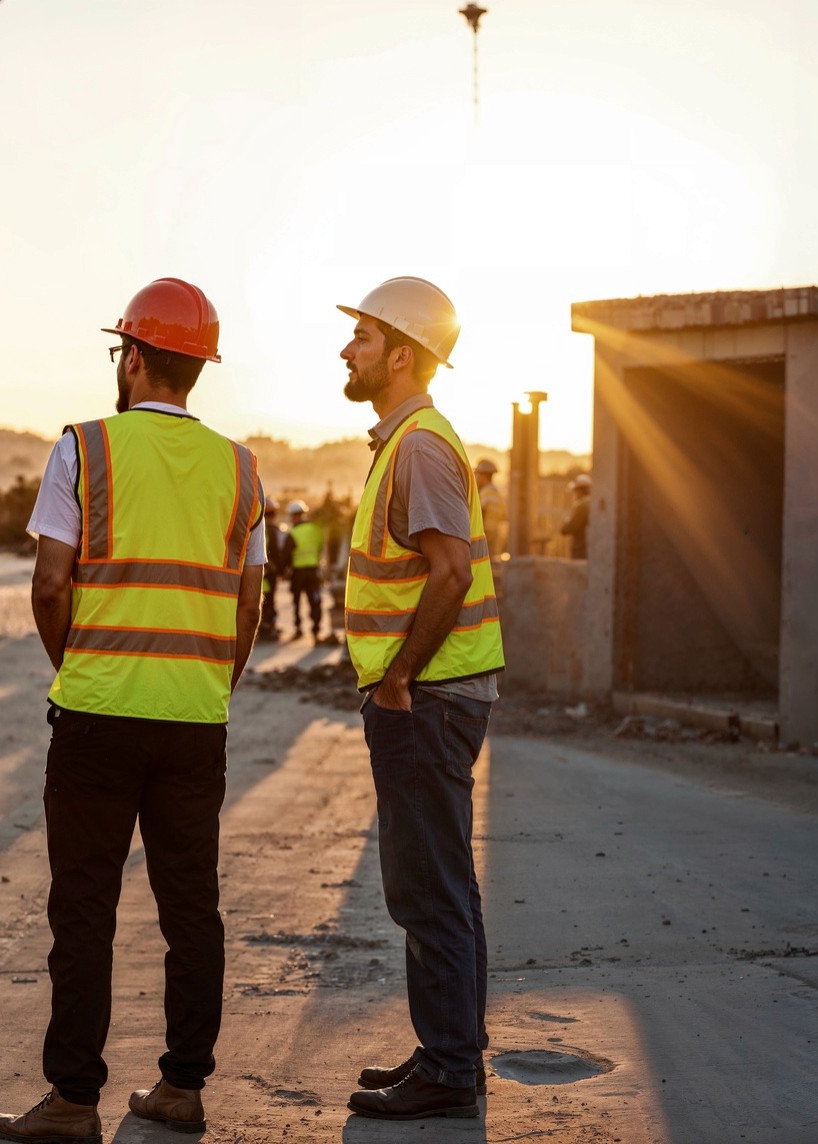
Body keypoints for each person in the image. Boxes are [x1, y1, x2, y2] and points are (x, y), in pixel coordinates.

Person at [0, 279, 265, 1143]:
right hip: (194, 722)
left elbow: (47, 584)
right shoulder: (241, 467)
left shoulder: (83, 449)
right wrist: (212, 683)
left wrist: (81, 667)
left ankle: (73, 1099)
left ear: (135, 356)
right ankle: (183, 1088)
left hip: (97, 721)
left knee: (83, 909)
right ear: (198, 368)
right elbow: (249, 604)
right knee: (191, 909)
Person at [334, 277, 505, 1122]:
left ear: (402, 354)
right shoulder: (402, 443)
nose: (347, 350)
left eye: (361, 338)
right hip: (429, 697)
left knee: (427, 885)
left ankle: (448, 1068)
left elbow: (451, 571)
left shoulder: (420, 446)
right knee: (440, 883)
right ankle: (450, 1051)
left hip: (428, 700)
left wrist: (399, 678)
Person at [285, 500, 325, 641]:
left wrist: (284, 571)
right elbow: (320, 548)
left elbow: (286, 555)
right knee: (315, 600)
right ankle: (316, 629)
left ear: (293, 516)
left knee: (296, 602)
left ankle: (298, 629)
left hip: (298, 573)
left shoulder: (293, 533)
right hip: (313, 571)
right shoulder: (315, 530)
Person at [259, 499, 285, 640]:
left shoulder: (264, 529)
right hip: (267, 572)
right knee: (266, 599)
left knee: (266, 599)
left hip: (266, 571)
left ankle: (267, 625)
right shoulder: (270, 531)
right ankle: (266, 626)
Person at [474, 458, 507, 560]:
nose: (476, 477)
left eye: (477, 474)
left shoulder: (485, 493)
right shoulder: (498, 494)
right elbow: (503, 516)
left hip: (483, 537)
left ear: (483, 475)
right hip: (495, 537)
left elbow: (477, 515)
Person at [560, 473, 591, 559]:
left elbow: (568, 528)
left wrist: (566, 523)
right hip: (589, 547)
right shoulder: (592, 503)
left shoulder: (582, 505)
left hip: (581, 549)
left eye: (575, 491)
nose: (575, 494)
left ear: (580, 491)